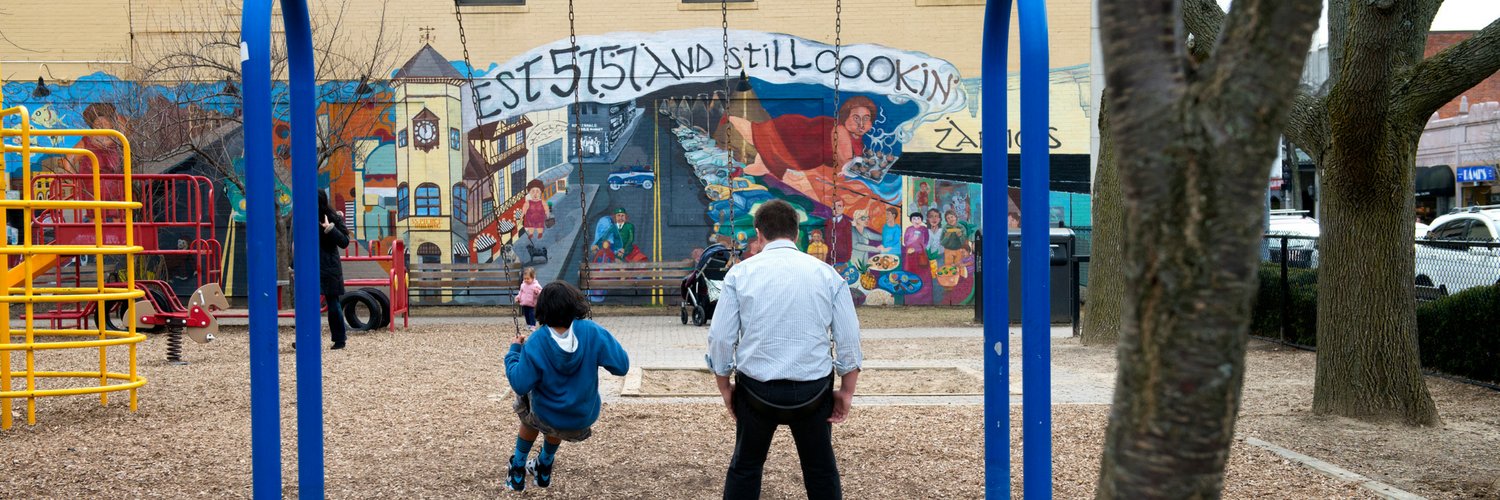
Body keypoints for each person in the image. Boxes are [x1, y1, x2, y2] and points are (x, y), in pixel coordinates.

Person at [707, 199, 862, 500]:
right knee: (820, 470)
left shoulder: (739, 274)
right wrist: (847, 392)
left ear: (759, 234)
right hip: (813, 392)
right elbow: (848, 338)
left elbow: (721, 339)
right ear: (796, 233)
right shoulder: (828, 275)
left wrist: (725, 387)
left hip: (756, 391)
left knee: (746, 467)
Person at [503, 281, 630, 491]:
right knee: (557, 407)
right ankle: (544, 464)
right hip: (581, 418)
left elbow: (519, 383)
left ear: (541, 309)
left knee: (527, 405)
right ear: (575, 304)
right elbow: (621, 366)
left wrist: (514, 352)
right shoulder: (592, 331)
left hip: (548, 416)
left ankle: (517, 469)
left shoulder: (537, 341)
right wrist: (601, 343)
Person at [722, 97, 879, 199]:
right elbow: (846, 162)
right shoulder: (843, 131)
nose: (861, 124)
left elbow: (843, 166)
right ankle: (728, 116)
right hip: (793, 138)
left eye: (866, 119)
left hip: (800, 148)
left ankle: (747, 169)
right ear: (846, 117)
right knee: (754, 134)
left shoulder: (857, 140)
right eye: (856, 118)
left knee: (762, 163)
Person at [304, 190, 350, 350]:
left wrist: (330, 228)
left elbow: (344, 241)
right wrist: (294, 266)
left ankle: (339, 339)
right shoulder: (303, 217)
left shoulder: (331, 217)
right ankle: (305, 339)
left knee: (333, 303)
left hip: (328, 265)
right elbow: (295, 244)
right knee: (307, 304)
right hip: (310, 264)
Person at [824, 199, 853, 265]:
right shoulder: (827, 222)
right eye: (834, 207)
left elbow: (849, 241)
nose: (836, 209)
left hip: (843, 258)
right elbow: (825, 239)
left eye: (839, 206)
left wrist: (848, 257)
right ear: (831, 208)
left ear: (843, 208)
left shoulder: (847, 223)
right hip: (828, 257)